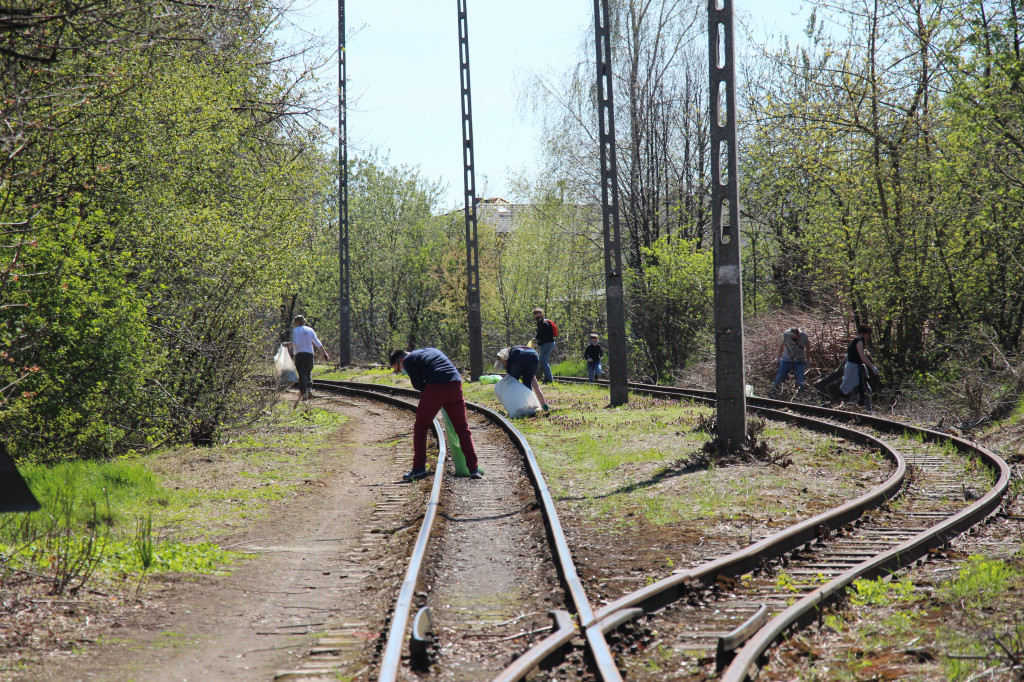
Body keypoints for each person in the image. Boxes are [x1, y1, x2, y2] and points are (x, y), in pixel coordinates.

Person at [389, 348, 483, 481]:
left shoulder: (408, 360)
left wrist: (435, 398)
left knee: (421, 428)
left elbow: (418, 385)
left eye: (398, 369)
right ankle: (474, 469)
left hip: (436, 387)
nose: (401, 372)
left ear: (400, 360)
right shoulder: (430, 351)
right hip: (455, 384)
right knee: (462, 428)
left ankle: (419, 469)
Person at [286, 315, 329, 400]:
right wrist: (325, 353)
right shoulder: (310, 330)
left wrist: (288, 344)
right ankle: (309, 389)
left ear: (297, 322)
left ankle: (304, 393)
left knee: (301, 374)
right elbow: (317, 342)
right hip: (309, 354)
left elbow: (295, 342)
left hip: (299, 354)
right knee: (308, 372)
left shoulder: (296, 330)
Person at [496, 346, 549, 413]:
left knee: (512, 385)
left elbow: (510, 385)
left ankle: (517, 408)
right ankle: (532, 407)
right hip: (533, 355)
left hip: (517, 355)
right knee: (527, 385)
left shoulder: (509, 357)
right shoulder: (525, 365)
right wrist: (543, 403)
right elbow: (536, 387)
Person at [840, 324, 879, 412]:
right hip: (855, 368)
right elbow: (862, 356)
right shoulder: (859, 341)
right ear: (864, 333)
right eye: (868, 334)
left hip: (852, 367)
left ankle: (850, 408)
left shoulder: (854, 340)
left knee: (856, 389)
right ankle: (869, 411)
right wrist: (872, 366)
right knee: (867, 390)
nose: (868, 337)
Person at [770, 327, 810, 397]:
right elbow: (782, 346)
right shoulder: (785, 335)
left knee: (800, 380)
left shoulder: (804, 336)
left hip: (799, 361)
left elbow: (808, 347)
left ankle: (802, 395)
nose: (795, 338)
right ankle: (772, 392)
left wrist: (808, 359)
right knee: (779, 377)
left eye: (796, 337)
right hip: (786, 360)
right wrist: (779, 357)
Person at [533, 307, 557, 383]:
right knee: (542, 361)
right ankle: (543, 378)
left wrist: (538, 343)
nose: (537, 317)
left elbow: (546, 336)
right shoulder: (540, 324)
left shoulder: (545, 323)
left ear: (542, 314)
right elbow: (539, 335)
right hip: (545, 344)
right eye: (535, 316)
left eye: (538, 315)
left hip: (548, 344)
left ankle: (549, 379)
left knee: (543, 361)